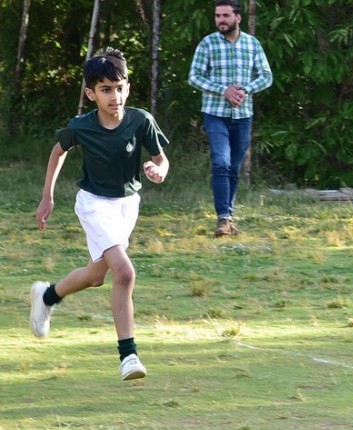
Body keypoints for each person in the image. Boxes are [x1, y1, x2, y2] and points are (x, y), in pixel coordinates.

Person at [30, 47, 170, 381]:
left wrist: (159, 170)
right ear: (91, 93)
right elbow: (58, 151)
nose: (114, 96)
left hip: (127, 205)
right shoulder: (82, 126)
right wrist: (47, 195)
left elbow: (161, 158)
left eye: (119, 88)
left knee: (96, 276)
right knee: (125, 272)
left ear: (128, 88)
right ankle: (128, 356)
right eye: (106, 90)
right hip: (93, 204)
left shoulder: (141, 120)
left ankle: (46, 296)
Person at [188, 0, 273, 237]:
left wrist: (246, 90)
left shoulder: (252, 44)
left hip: (243, 116)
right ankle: (223, 219)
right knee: (221, 163)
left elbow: (266, 76)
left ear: (238, 18)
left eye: (225, 15)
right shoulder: (208, 43)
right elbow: (194, 77)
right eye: (217, 16)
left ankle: (229, 217)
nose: (220, 20)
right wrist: (223, 90)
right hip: (215, 114)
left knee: (233, 168)